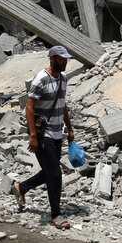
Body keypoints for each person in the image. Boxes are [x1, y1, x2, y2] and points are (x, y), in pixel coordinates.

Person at [11, 45, 75, 229]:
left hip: (57, 132)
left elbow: (63, 105)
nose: (65, 62)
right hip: (42, 133)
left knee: (50, 170)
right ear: (53, 58)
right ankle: (56, 215)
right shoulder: (41, 79)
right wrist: (32, 135)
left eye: (66, 59)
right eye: (62, 59)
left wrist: (69, 128)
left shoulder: (63, 79)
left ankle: (21, 187)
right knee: (55, 174)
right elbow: (29, 107)